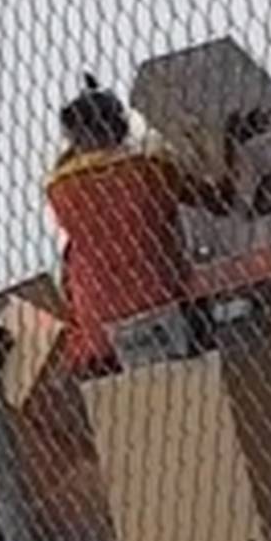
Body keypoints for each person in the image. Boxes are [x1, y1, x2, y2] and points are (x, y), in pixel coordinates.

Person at [46, 74, 235, 376]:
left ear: (73, 137)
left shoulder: (60, 187)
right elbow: (221, 202)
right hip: (163, 302)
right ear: (120, 126)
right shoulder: (151, 168)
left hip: (99, 323)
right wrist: (227, 145)